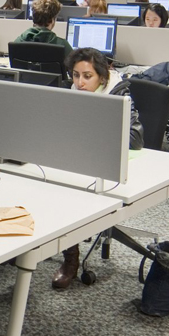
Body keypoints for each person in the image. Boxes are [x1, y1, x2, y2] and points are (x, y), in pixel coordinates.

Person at [52, 47, 144, 289]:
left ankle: (70, 260)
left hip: (117, 167)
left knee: (66, 192)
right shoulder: (72, 91)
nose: (79, 82)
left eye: (87, 76)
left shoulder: (119, 94)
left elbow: (135, 139)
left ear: (102, 77)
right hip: (81, 160)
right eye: (75, 75)